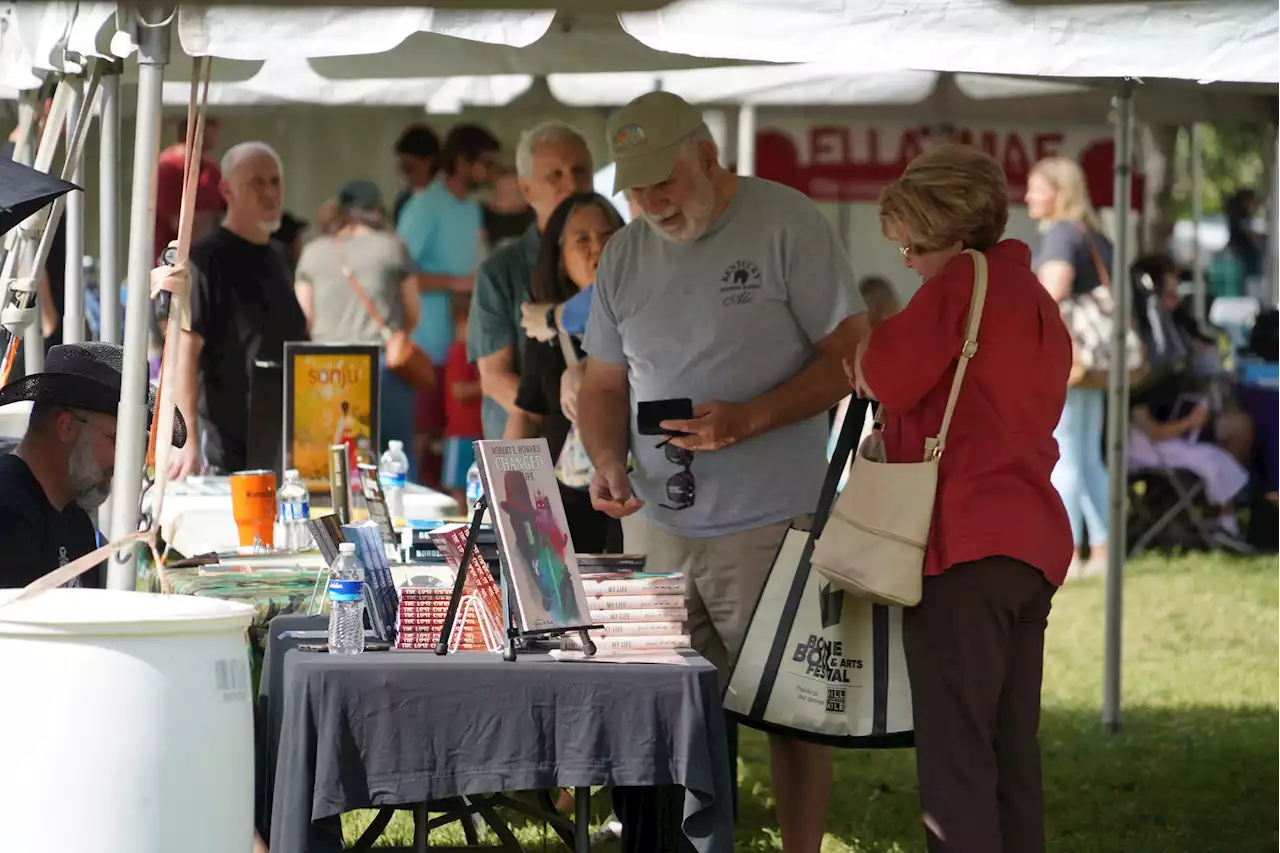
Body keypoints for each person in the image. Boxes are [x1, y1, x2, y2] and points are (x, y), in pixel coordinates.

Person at [579, 91, 867, 853]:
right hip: (656, 528)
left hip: (772, 521)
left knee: (791, 710)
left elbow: (852, 354)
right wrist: (607, 457)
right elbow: (602, 385)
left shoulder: (786, 221)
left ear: (706, 154)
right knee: (666, 715)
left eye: (663, 182)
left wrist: (752, 416)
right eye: (636, 189)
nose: (651, 202)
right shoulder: (623, 254)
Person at [850, 143, 1073, 853]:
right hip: (1029, 543)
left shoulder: (958, 285)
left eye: (912, 242)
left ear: (947, 231)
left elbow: (882, 371)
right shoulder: (1035, 296)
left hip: (962, 542)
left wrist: (863, 352)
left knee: (956, 764)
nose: (907, 259)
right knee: (1012, 755)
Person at [170, 142, 309, 478]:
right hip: (227, 450)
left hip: (282, 448)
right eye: (256, 183)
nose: (270, 192)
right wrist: (185, 440)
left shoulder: (280, 257)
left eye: (275, 181)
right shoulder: (206, 260)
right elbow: (184, 351)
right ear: (226, 191)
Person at [0, 341, 187, 587]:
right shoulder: (8, 514)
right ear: (66, 427)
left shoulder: (76, 524)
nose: (123, 462)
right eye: (117, 440)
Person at [507, 192, 625, 553]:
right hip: (563, 503)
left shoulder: (642, 313)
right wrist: (505, 494)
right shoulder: (544, 329)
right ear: (559, 257)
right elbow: (527, 416)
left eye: (608, 235)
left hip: (630, 491)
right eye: (582, 240)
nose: (598, 248)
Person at [468, 120, 594, 441]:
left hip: (606, 450)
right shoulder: (501, 270)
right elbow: (495, 377)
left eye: (580, 171)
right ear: (526, 189)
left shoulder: (619, 258)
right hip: (530, 448)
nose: (571, 185)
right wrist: (567, 416)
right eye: (555, 175)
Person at [398, 123, 500, 487]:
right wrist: (457, 283)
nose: (491, 172)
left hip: (463, 343)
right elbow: (399, 272)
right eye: (485, 163)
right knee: (421, 440)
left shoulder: (472, 209)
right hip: (424, 344)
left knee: (455, 440)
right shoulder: (425, 204)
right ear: (461, 162)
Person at [1026, 155, 1114, 575]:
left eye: (1036, 188)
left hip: (1071, 359)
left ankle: (1068, 553)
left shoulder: (1063, 233)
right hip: (1098, 362)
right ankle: (1102, 551)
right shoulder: (1096, 233)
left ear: (1059, 193)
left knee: (1065, 454)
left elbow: (1051, 294)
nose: (1028, 196)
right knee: (1088, 455)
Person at [295, 180, 420, 474]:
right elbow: (413, 313)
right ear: (377, 210)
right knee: (395, 460)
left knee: (329, 465)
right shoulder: (394, 248)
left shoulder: (313, 252)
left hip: (324, 372)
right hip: (382, 369)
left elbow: (304, 318)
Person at [155, 115, 224, 264]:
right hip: (174, 261)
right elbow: (177, 222)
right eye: (208, 125)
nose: (215, 133)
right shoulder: (169, 166)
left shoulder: (212, 168)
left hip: (208, 259)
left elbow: (225, 214)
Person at [442, 297, 483, 512]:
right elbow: (459, 390)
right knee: (460, 490)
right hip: (461, 433)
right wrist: (488, 383)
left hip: (478, 430)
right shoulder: (460, 351)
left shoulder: (475, 352)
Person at [392, 123, 441, 226]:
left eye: (409, 168)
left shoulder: (447, 201)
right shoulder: (403, 199)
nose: (406, 175)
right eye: (403, 168)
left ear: (428, 162)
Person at [483, 165, 537, 248]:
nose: (509, 194)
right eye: (504, 190)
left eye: (513, 191)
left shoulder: (534, 216)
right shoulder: (481, 215)